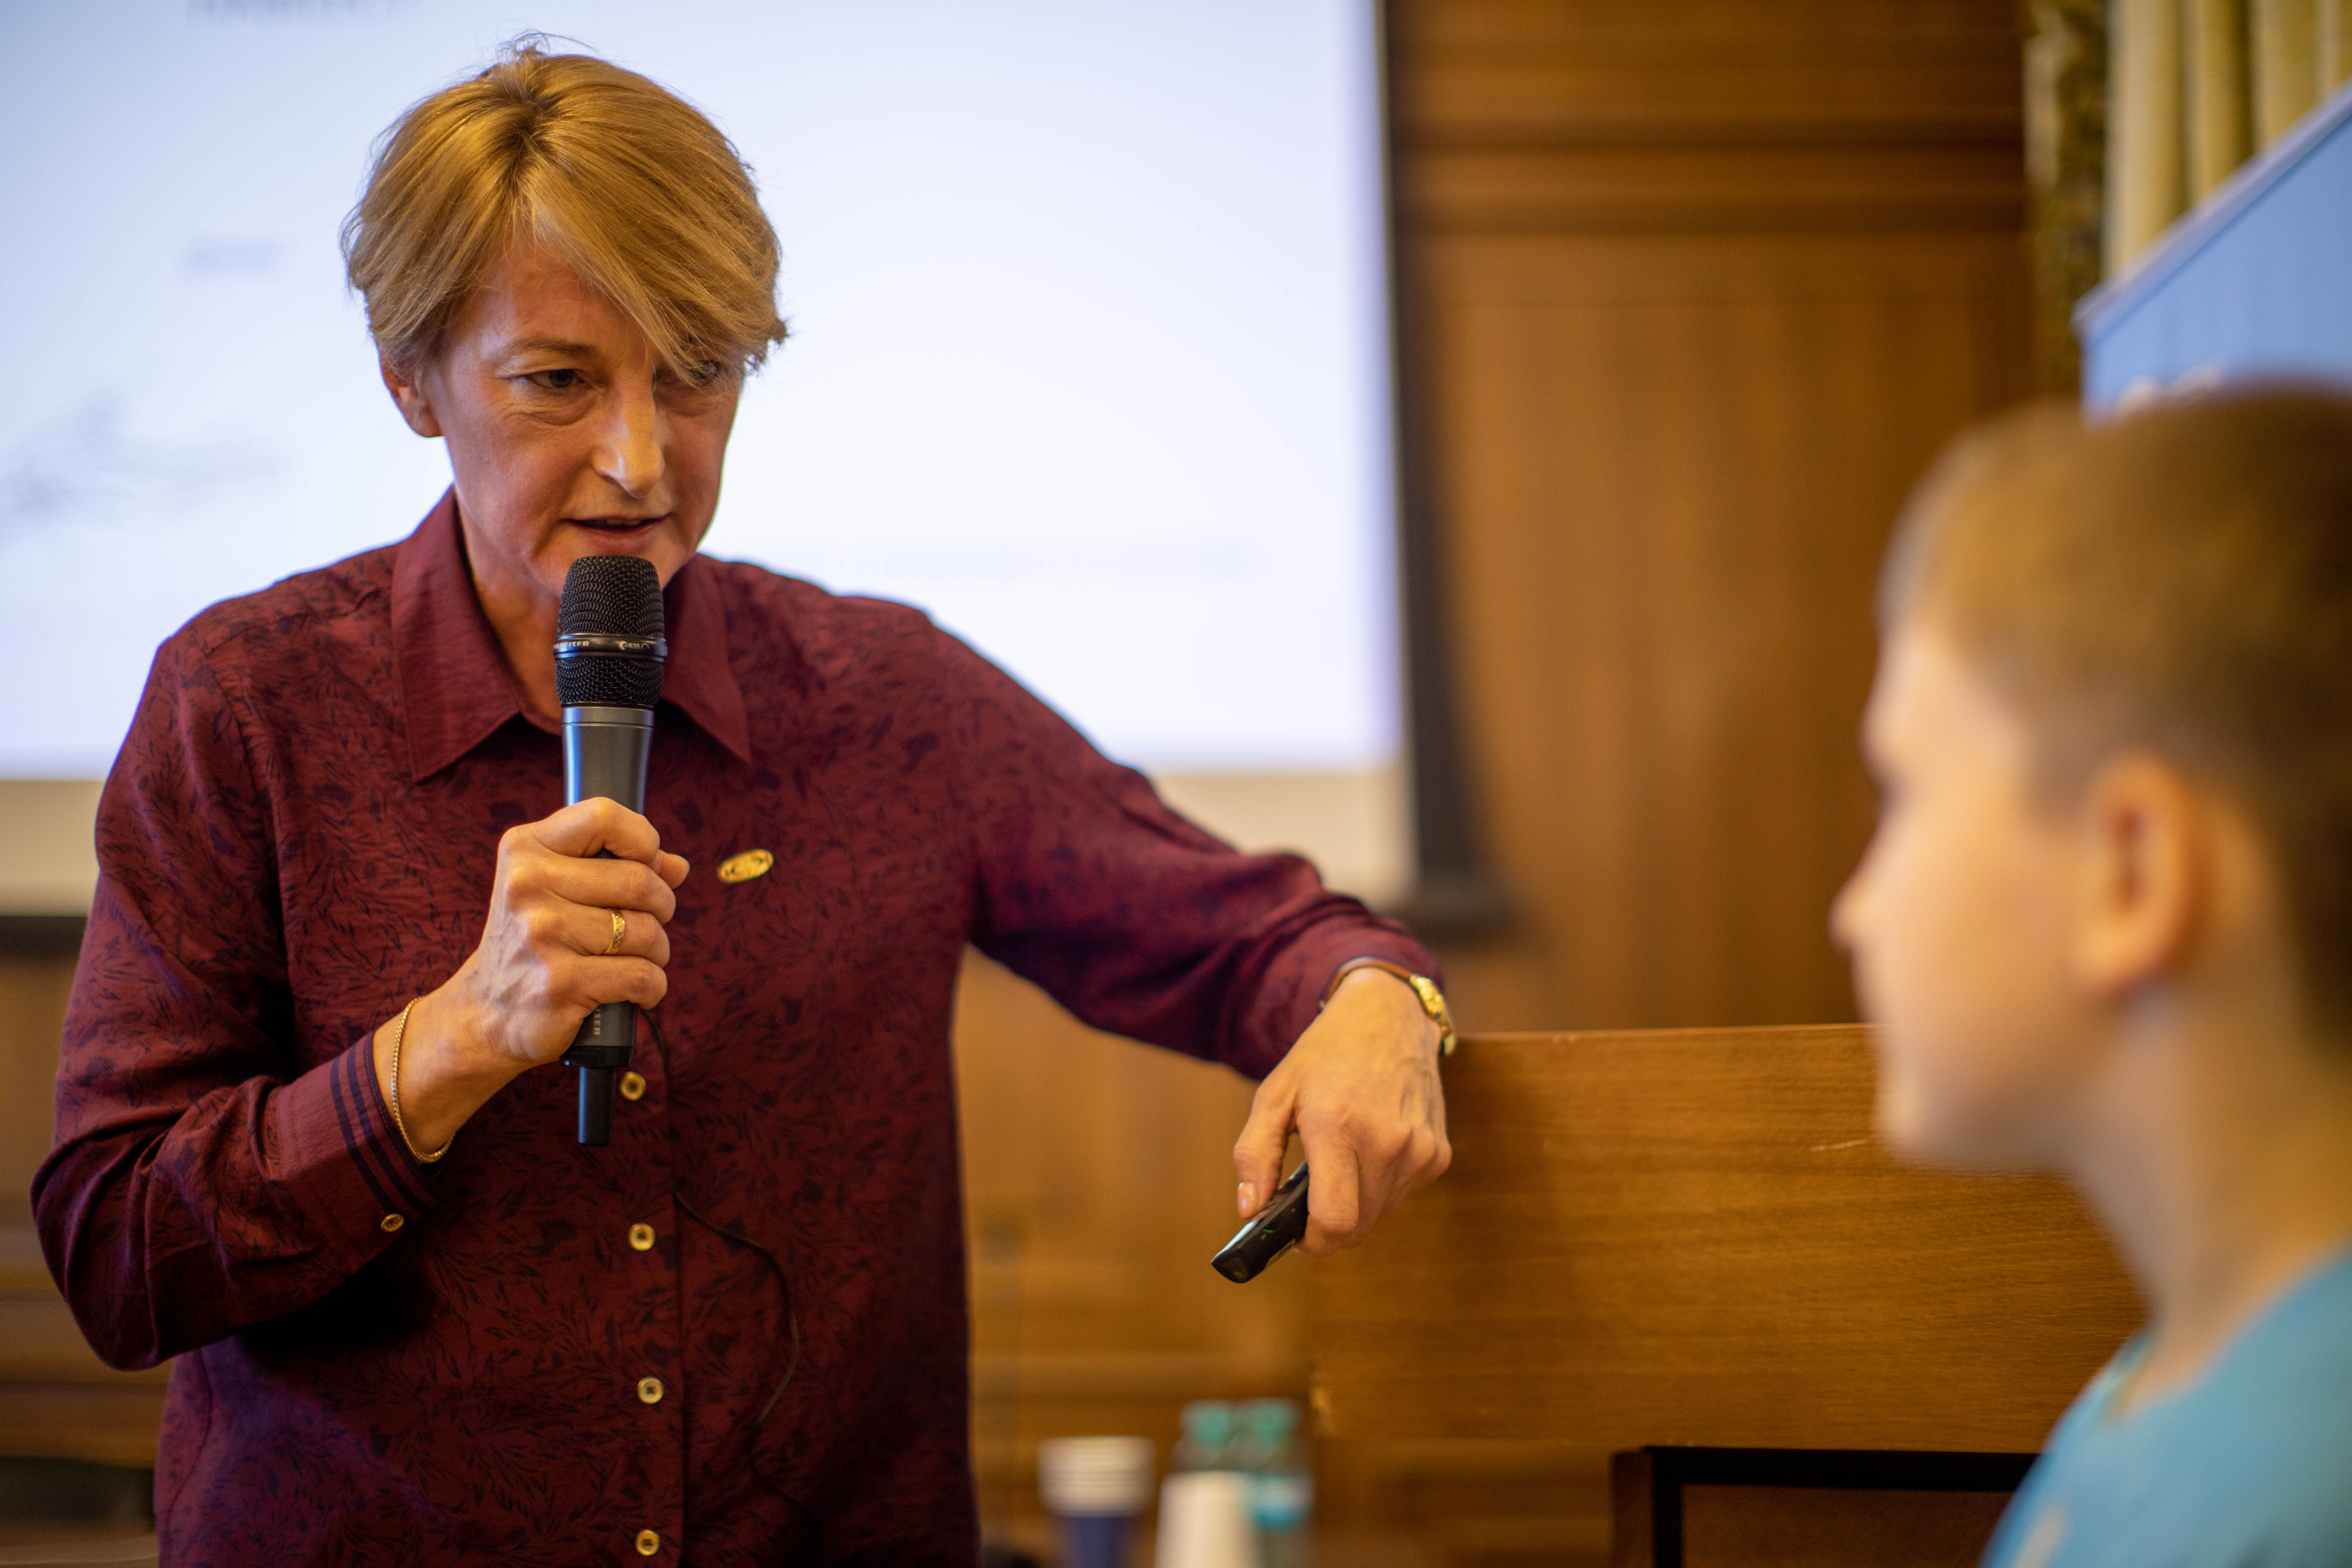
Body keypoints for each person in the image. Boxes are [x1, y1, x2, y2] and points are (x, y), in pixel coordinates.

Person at [34, 41, 1453, 1564]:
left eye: (698, 373)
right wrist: (444, 1046)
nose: (642, 460)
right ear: (410, 379)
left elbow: (1256, 940)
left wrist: (1378, 997)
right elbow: (120, 1256)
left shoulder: (881, 696)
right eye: (559, 382)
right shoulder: (246, 705)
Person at [1832, 388, 2352, 1567]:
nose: (1854, 909)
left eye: (1902, 792)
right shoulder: (2162, 1384)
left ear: (2133, 871)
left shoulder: (2303, 1501)